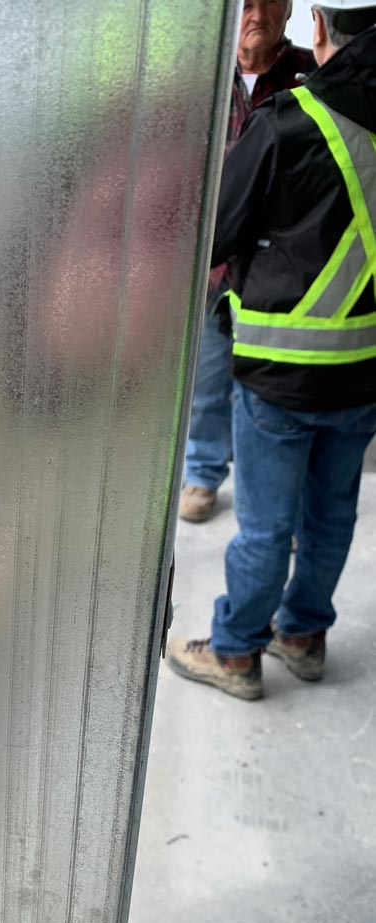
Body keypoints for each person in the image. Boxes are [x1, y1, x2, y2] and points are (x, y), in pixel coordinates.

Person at [168, 2, 376, 699]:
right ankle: (303, 636)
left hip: (280, 375)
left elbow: (216, 235)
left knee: (263, 527)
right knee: (331, 515)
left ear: (314, 24)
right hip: (363, 370)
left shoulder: (288, 119)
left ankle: (235, 653)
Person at [179, 0, 315, 523]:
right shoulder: (204, 79)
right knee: (207, 381)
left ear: (289, 9)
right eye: (246, 3)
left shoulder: (310, 74)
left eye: (269, 2)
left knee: (276, 395)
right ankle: (203, 473)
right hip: (214, 265)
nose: (256, 13)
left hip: (282, 270)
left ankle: (283, 501)